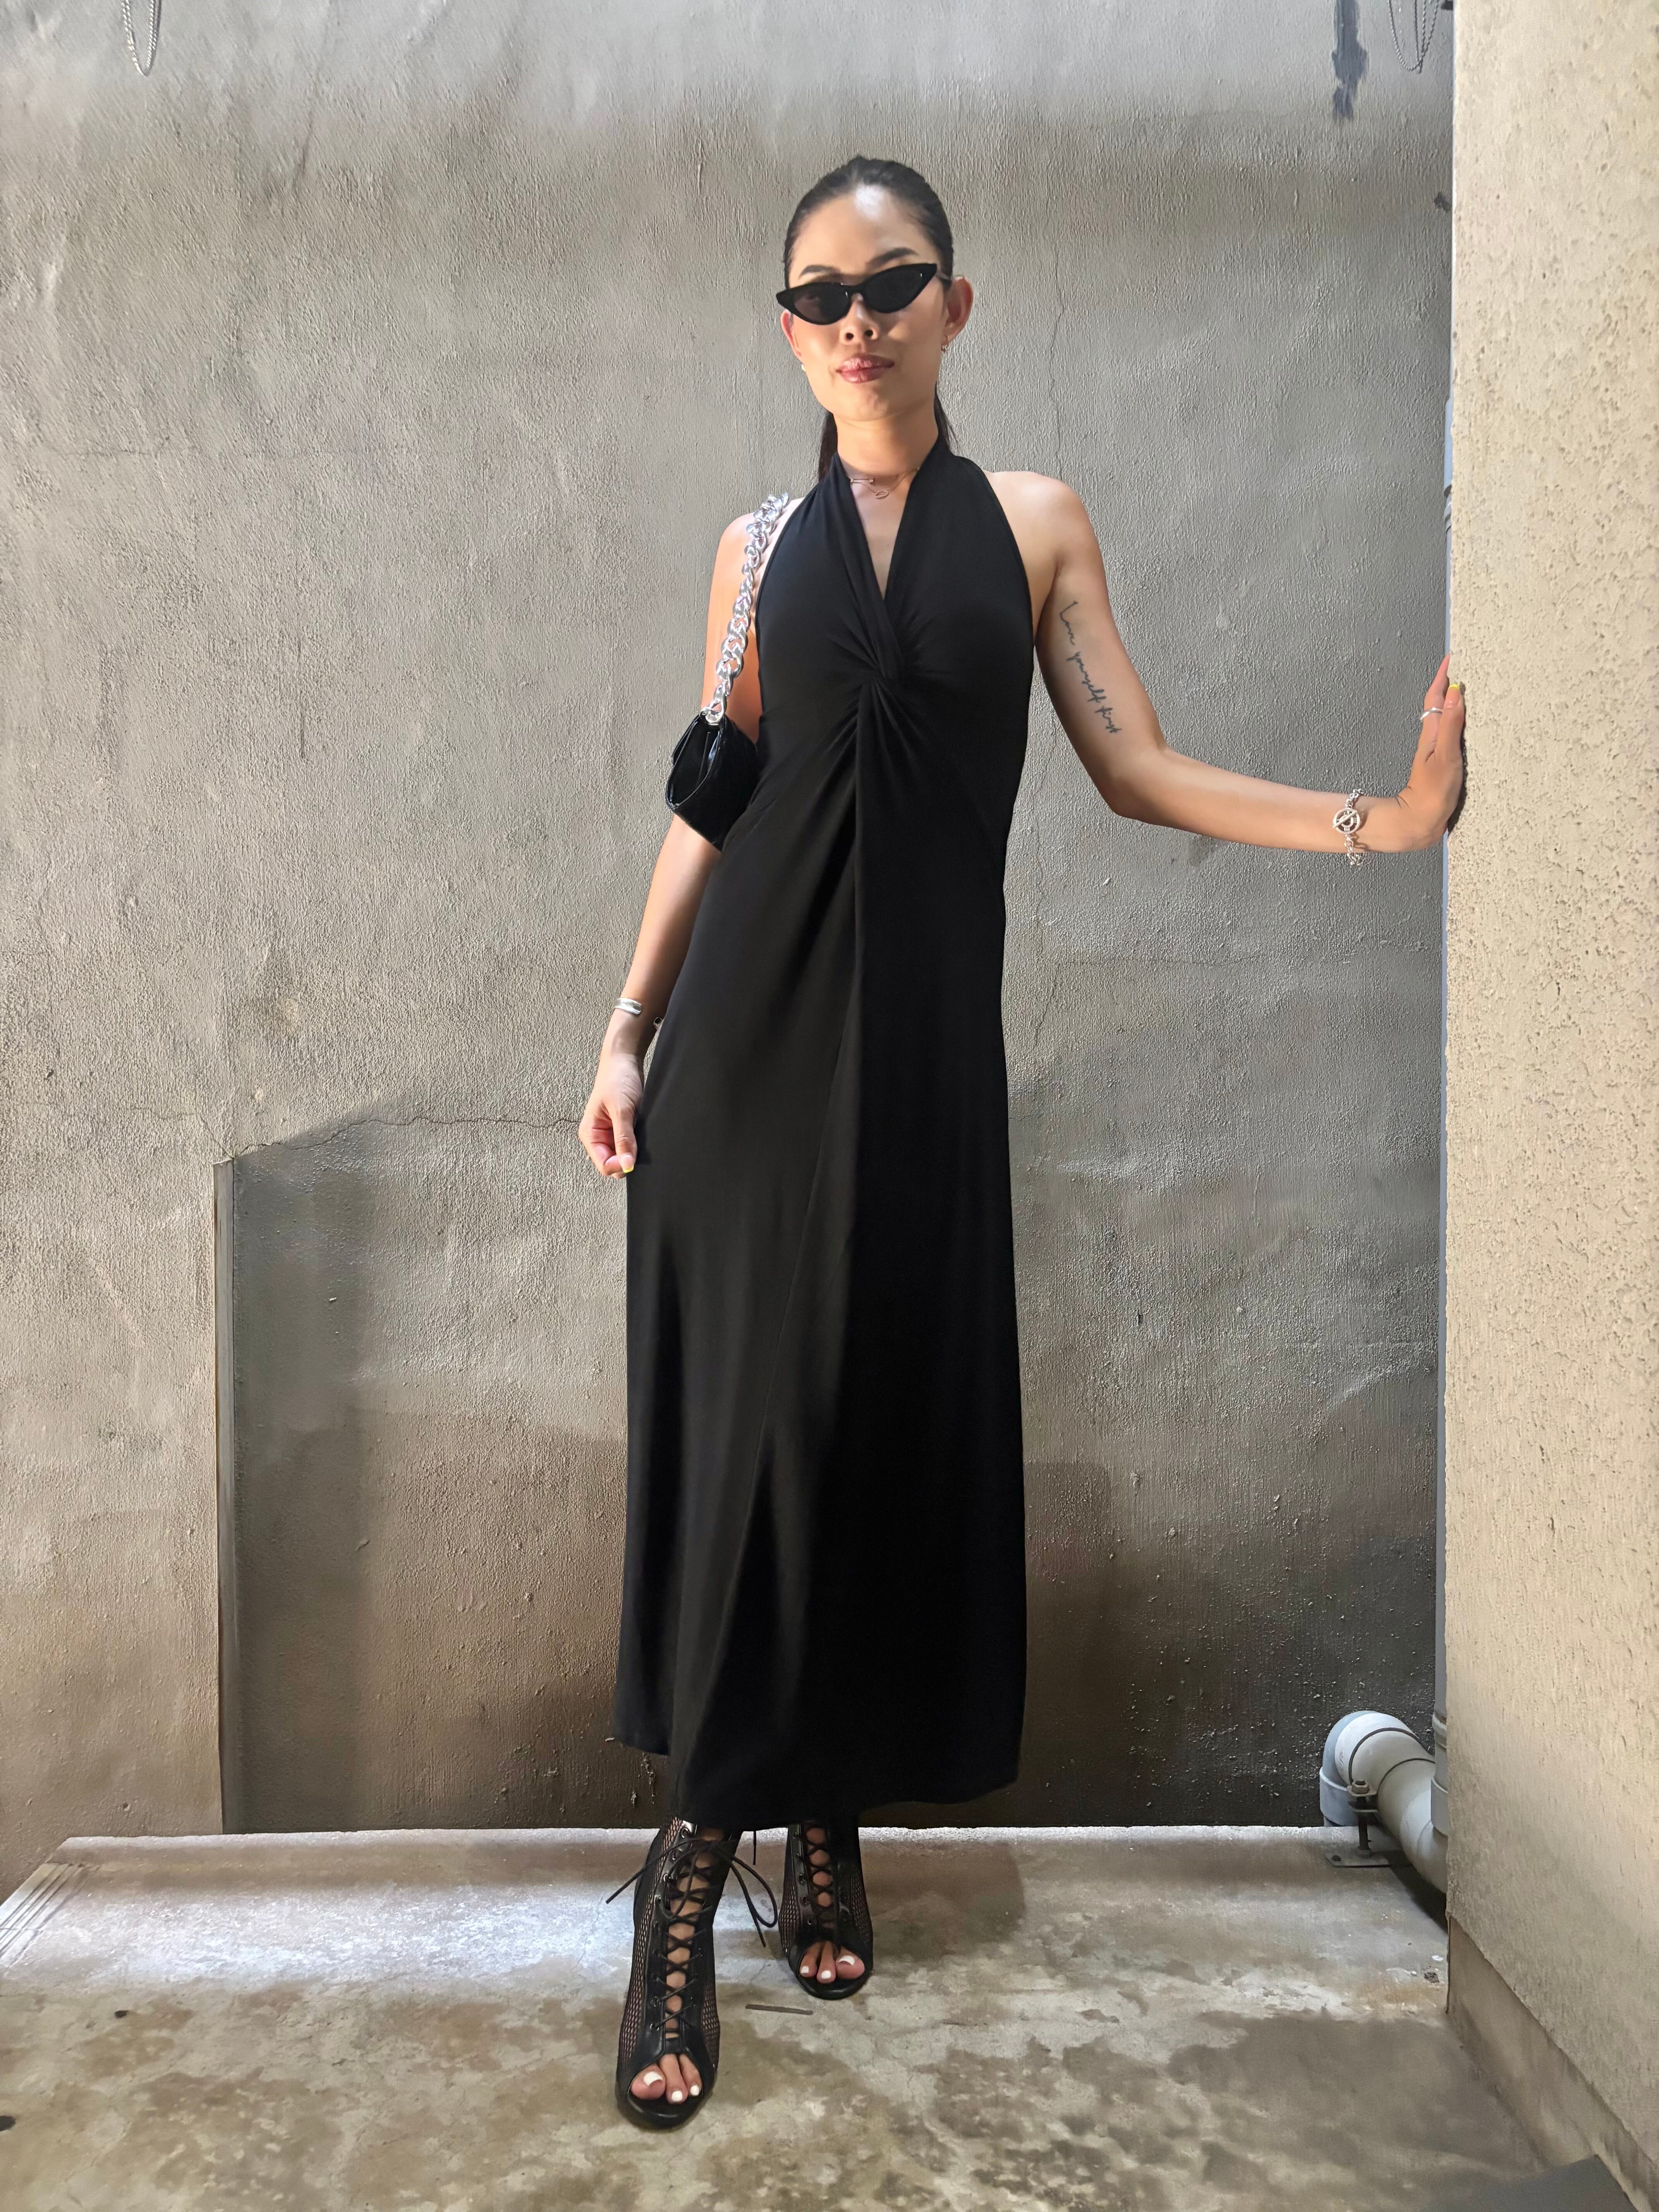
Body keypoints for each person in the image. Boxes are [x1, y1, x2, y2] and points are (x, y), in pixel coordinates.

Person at [577, 154, 1466, 2129]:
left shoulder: (1041, 525)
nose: (858, 320)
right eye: (821, 295)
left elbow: (1134, 768)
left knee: (875, 1436)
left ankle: (825, 1819)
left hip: (919, 1082)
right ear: (789, 331)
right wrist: (629, 1030)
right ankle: (687, 1881)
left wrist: (1381, 823)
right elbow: (712, 800)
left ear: (955, 305)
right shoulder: (754, 551)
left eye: (892, 283)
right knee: (756, 1454)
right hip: (745, 1074)